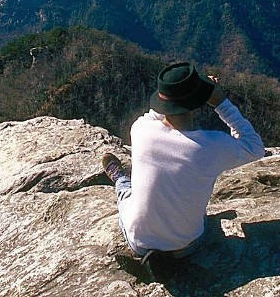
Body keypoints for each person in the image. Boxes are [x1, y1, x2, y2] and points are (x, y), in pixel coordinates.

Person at [102, 62, 265, 259]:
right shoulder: (211, 146)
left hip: (139, 242)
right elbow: (255, 147)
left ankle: (119, 178)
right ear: (196, 104)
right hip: (187, 244)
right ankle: (122, 180)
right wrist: (220, 102)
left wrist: (185, 94)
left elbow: (156, 113)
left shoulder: (140, 129)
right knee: (194, 209)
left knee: (127, 194)